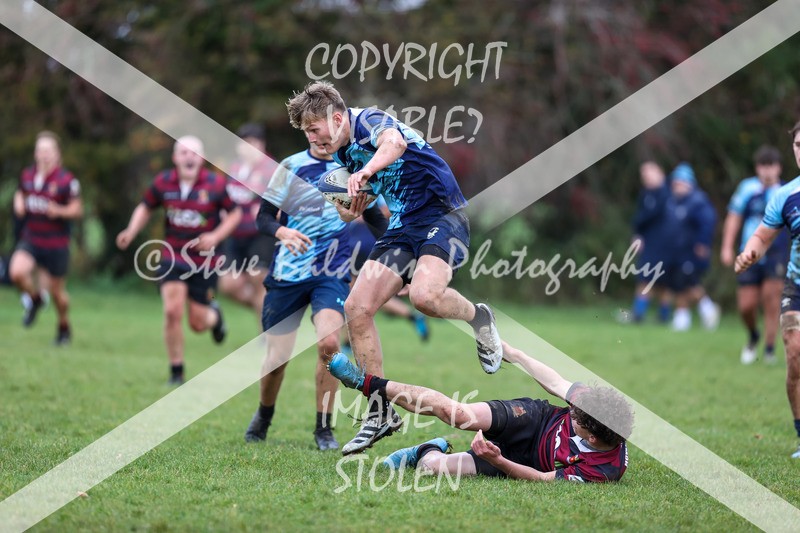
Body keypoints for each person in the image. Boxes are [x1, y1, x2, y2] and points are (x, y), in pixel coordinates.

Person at [285, 80, 503, 455]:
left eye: (314, 129)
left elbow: (395, 144)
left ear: (337, 119)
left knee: (424, 296)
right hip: (403, 226)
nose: (312, 139)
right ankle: (379, 411)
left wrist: (366, 173)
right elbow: (358, 207)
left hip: (442, 213)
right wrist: (349, 206)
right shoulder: (342, 158)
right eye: (306, 133)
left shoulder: (369, 120)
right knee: (356, 307)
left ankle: (478, 319)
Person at [244, 141, 389, 451]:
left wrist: (399, 259)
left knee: (329, 344)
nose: (319, 138)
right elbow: (264, 217)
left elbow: (378, 221)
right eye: (310, 130)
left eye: (323, 129)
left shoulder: (351, 169)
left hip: (332, 272)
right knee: (277, 358)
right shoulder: (291, 166)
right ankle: (264, 415)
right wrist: (282, 232)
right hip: (288, 274)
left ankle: (323, 429)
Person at [326, 341, 633, 482]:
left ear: (592, 439)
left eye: (576, 420)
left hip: (524, 462)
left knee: (432, 468)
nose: (573, 413)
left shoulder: (603, 470)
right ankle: (363, 381)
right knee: (459, 415)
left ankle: (425, 449)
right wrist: (513, 353)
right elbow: (554, 381)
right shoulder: (593, 407)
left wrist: (497, 460)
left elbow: (545, 479)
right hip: (533, 420)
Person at [116, 136, 242, 385]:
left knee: (197, 323)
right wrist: (131, 231)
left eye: (194, 153)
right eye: (183, 153)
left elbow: (235, 214)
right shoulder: (164, 182)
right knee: (172, 311)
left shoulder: (215, 184)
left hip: (204, 262)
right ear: (175, 158)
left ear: (201, 159)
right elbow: (145, 206)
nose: (189, 157)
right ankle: (176, 371)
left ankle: (214, 317)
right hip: (172, 255)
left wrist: (215, 236)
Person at [736, 121, 800, 459]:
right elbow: (762, 235)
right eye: (799, 144)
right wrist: (748, 252)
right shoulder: (785, 195)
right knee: (796, 354)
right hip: (797, 282)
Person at [9, 131, 83, 345]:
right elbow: (20, 193)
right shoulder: (28, 176)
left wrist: (60, 211)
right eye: (40, 150)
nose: (44, 155)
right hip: (32, 238)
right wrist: (18, 203)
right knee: (16, 273)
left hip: (56, 244)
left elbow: (77, 209)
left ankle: (63, 326)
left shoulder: (66, 180)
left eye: (48, 151)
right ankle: (35, 300)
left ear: (57, 154)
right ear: (35, 153)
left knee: (58, 294)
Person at [721, 145, 788, 364]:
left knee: (771, 299)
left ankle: (769, 348)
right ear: (757, 168)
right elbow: (734, 218)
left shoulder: (786, 192)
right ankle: (753, 335)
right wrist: (727, 247)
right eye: (763, 166)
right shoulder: (747, 189)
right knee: (746, 306)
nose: (767, 171)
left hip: (777, 252)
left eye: (771, 166)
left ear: (778, 168)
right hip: (749, 252)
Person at [218, 123, 278, 325]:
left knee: (258, 282)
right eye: (244, 143)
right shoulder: (235, 168)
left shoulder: (273, 170)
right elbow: (228, 199)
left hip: (261, 235)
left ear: (261, 145)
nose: (247, 148)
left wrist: (267, 211)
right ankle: (273, 316)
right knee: (228, 285)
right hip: (236, 235)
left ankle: (266, 338)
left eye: (252, 143)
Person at [663, 163, 720, 332]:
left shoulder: (698, 202)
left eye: (681, 183)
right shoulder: (672, 202)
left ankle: (700, 311)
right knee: (681, 284)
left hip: (691, 251)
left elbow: (707, 224)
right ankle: (691, 314)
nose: (677, 186)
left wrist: (702, 243)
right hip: (675, 251)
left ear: (689, 183)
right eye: (675, 183)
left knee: (689, 282)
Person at [628, 161, 673, 324]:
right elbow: (640, 218)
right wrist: (637, 234)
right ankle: (638, 313)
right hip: (649, 244)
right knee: (645, 276)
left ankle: (664, 315)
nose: (645, 178)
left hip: (666, 244)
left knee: (663, 281)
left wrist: (637, 224)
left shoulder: (667, 194)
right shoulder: (645, 194)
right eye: (643, 175)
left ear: (660, 173)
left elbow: (647, 217)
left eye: (649, 173)